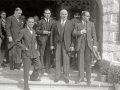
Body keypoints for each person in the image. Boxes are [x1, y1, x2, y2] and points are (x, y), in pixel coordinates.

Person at [16, 17, 42, 90]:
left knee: (38, 66)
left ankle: (33, 78)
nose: (31, 23)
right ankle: (26, 87)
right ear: (26, 22)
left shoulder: (34, 31)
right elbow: (17, 41)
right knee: (26, 71)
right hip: (27, 54)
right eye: (30, 22)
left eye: (32, 22)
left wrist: (37, 49)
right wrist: (25, 48)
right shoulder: (23, 31)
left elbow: (34, 41)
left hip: (34, 53)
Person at [73, 11, 97, 85]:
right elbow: (73, 33)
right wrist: (81, 32)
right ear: (83, 16)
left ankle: (88, 79)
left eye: (89, 16)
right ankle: (81, 78)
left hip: (89, 45)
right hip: (81, 45)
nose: (88, 18)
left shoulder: (91, 24)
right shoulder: (77, 23)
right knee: (80, 62)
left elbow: (94, 35)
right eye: (87, 16)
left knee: (88, 62)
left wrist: (95, 45)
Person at [50, 9, 74, 83]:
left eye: (65, 14)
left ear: (67, 15)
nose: (64, 15)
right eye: (62, 14)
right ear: (60, 15)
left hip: (66, 44)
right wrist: (51, 45)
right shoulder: (55, 23)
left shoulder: (71, 23)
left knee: (66, 61)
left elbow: (73, 36)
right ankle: (57, 76)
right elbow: (52, 35)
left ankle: (66, 77)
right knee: (57, 60)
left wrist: (72, 45)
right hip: (57, 44)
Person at [36, 9, 55, 74]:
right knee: (42, 55)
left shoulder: (53, 22)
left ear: (50, 14)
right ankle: (41, 69)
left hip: (50, 41)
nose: (47, 15)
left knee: (48, 55)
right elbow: (37, 30)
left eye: (49, 13)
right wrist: (44, 32)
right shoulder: (40, 21)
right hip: (42, 40)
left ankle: (48, 69)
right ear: (44, 14)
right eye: (46, 13)